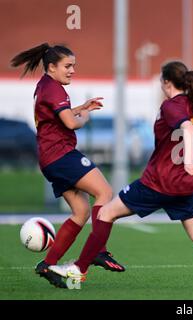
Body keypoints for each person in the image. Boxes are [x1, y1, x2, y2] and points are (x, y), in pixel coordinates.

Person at [49, 61, 193, 291]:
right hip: (184, 187)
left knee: (104, 214)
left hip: (157, 183)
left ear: (166, 82)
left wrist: (191, 158)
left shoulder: (171, 106)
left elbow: (188, 129)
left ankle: (79, 270)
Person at [10, 43, 125, 289]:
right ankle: (98, 250)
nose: (72, 70)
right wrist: (85, 116)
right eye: (68, 66)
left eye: (73, 66)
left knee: (81, 212)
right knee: (105, 192)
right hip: (61, 155)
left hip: (51, 159)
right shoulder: (55, 89)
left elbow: (58, 117)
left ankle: (48, 264)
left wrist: (80, 108)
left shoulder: (45, 85)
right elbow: (71, 124)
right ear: (52, 67)